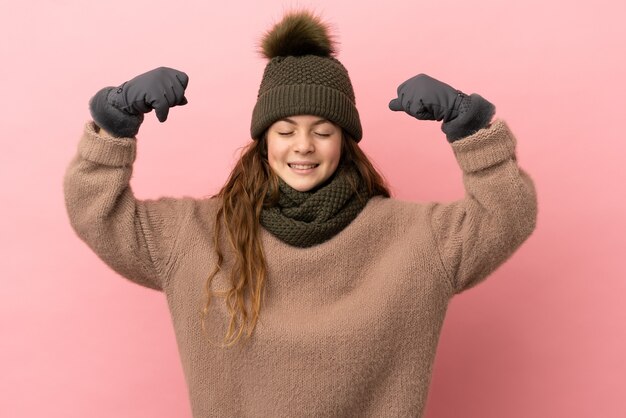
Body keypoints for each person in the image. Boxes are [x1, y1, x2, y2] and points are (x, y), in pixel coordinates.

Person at [64, 9, 537, 418]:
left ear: (346, 141)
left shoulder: (413, 237)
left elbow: (508, 215)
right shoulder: (195, 235)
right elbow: (97, 213)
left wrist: (470, 125)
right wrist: (114, 122)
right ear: (264, 140)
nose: (303, 146)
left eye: (323, 130)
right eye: (285, 129)